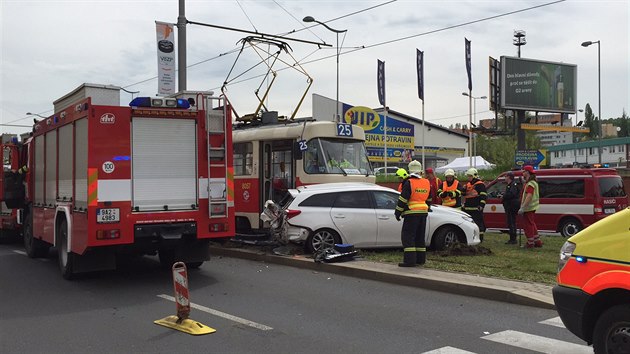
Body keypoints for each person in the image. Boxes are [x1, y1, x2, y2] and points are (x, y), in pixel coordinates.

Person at [394, 160, 432, 267]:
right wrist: (427, 208)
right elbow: (429, 198)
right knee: (420, 237)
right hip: (423, 213)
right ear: (420, 171)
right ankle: (420, 259)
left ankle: (409, 261)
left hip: (411, 213)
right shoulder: (426, 182)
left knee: (408, 236)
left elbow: (403, 199)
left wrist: (397, 212)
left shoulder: (409, 182)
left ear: (409, 170)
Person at [519, 165, 542, 248]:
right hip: (532, 207)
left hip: (528, 207)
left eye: (524, 171)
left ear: (527, 172)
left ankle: (530, 242)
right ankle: (537, 241)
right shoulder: (532, 182)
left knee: (528, 225)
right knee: (532, 224)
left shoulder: (531, 183)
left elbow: (529, 195)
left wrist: (523, 207)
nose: (523, 173)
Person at [461, 167, 487, 242]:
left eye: (470, 176)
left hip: (476, 208)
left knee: (478, 223)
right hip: (468, 208)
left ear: (474, 176)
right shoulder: (468, 184)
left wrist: (481, 206)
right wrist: (463, 189)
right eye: (468, 176)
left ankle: (480, 238)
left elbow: (483, 196)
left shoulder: (480, 185)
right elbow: (463, 194)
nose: (468, 178)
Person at [501, 172, 520, 245]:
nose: (505, 178)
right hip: (509, 205)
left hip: (512, 206)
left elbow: (512, 194)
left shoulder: (513, 185)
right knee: (510, 222)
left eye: (505, 176)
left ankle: (513, 239)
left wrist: (504, 196)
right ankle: (512, 238)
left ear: (509, 177)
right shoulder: (509, 185)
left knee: (511, 222)